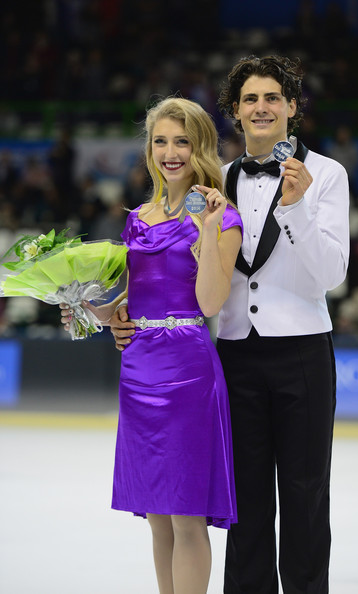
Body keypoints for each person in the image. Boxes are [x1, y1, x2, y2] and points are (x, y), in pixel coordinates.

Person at [110, 54, 350, 594]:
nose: (261, 108)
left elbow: (331, 274)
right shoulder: (219, 182)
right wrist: (123, 315)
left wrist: (295, 209)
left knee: (306, 494)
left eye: (272, 98)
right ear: (235, 114)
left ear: (292, 107)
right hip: (234, 355)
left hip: (303, 351)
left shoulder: (328, 176)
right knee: (246, 504)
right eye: (249, 100)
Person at [60, 96, 243, 594]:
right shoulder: (138, 216)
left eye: (182, 141)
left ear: (200, 145)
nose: (170, 152)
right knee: (158, 518)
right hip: (138, 368)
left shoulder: (221, 217)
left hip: (187, 368)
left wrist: (205, 230)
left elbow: (209, 303)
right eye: (160, 141)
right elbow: (123, 301)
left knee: (186, 516)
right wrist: (79, 303)